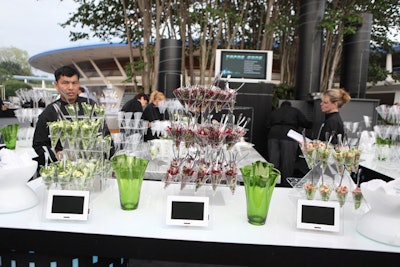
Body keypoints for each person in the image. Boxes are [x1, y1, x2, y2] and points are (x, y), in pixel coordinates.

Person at [32, 66, 111, 171]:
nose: (70, 87)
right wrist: (56, 155)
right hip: (63, 170)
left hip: (91, 167)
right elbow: (38, 145)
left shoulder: (90, 106)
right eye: (65, 83)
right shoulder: (50, 112)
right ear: (56, 85)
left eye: (74, 83)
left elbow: (105, 136)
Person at [267, 100, 312, 186]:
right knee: (287, 162)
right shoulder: (295, 111)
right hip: (289, 135)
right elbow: (305, 123)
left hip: (273, 135)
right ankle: (285, 184)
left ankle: (272, 183)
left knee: (273, 162)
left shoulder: (275, 111)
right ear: (290, 105)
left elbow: (267, 124)